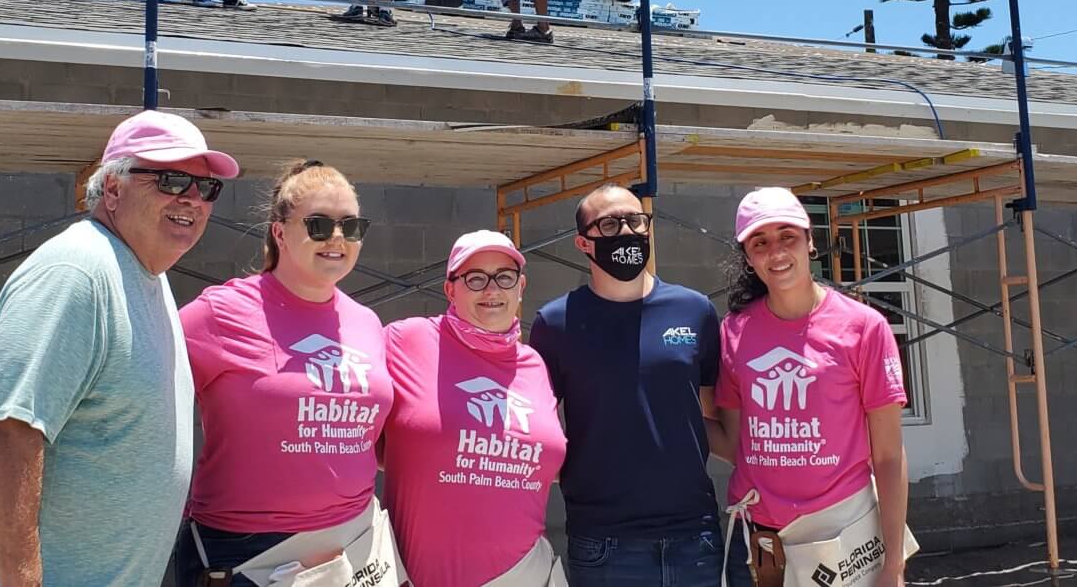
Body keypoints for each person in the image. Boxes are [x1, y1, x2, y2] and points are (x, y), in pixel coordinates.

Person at [0, 111, 240, 587]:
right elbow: (7, 434)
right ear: (112, 189)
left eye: (207, 188)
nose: (192, 199)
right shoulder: (76, 273)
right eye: (173, 179)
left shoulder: (145, 276)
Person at [174, 160, 403, 586]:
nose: (337, 238)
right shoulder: (219, 313)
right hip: (249, 553)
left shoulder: (367, 323)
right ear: (279, 232)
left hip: (355, 545)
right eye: (318, 225)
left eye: (350, 227)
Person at [527, 184, 750, 586]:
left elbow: (710, 418)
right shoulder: (556, 323)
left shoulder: (694, 310)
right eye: (609, 224)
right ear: (583, 243)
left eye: (635, 220)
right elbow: (538, 428)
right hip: (604, 541)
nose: (626, 231)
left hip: (693, 536)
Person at [712, 188, 913, 587]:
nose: (776, 252)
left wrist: (894, 563)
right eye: (760, 242)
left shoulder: (863, 328)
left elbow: (888, 456)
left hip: (843, 538)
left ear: (810, 241)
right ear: (748, 257)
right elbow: (737, 445)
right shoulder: (733, 333)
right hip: (760, 544)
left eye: (788, 236)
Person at [382, 230, 568, 586]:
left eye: (504, 277)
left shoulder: (534, 366)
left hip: (526, 575)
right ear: (450, 289)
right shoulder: (407, 341)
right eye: (475, 278)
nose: (492, 290)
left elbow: (545, 462)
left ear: (521, 286)